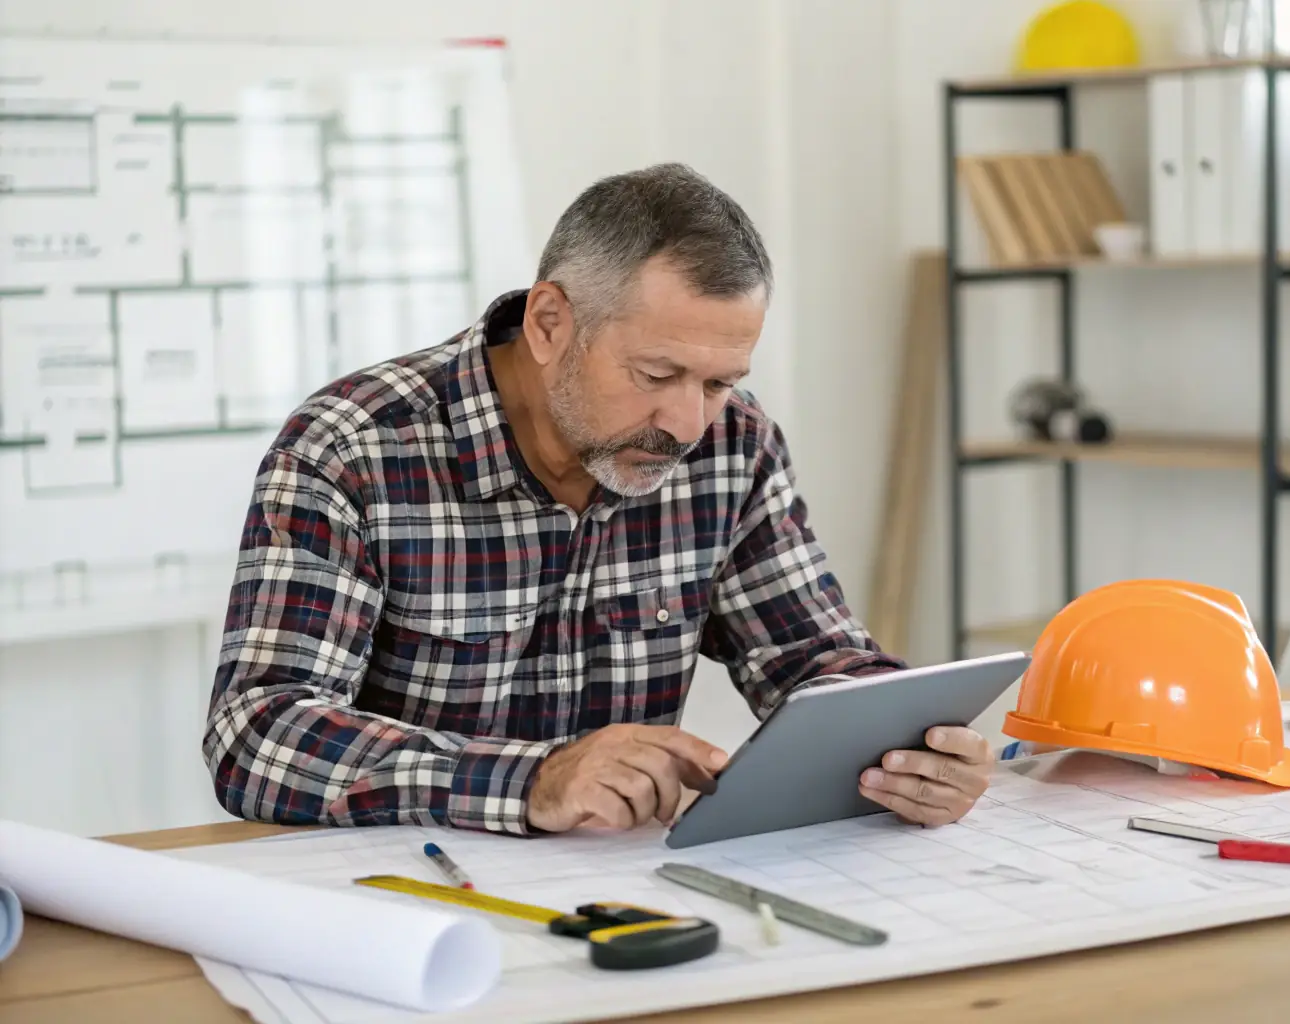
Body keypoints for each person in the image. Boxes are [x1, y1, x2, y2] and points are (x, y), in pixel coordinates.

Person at [204, 163, 992, 837]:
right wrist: (531, 781)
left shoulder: (733, 443)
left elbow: (811, 660)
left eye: (719, 382)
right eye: (656, 375)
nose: (686, 425)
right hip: (407, 895)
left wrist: (905, 749)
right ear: (549, 323)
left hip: (621, 888)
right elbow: (257, 736)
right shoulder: (355, 447)